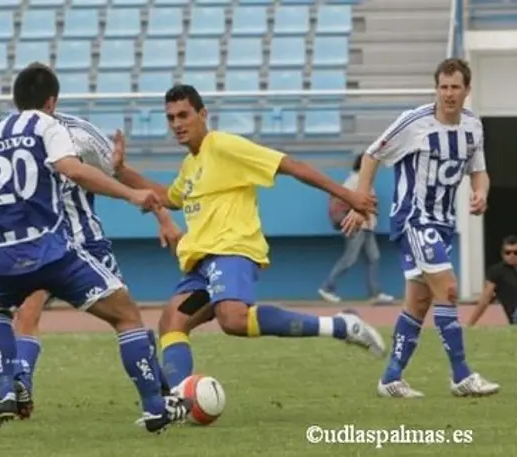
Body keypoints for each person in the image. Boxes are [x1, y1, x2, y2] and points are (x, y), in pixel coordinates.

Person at [0, 76, 181, 420]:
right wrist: (150, 205)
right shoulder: (32, 130)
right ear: (52, 101)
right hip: (52, 242)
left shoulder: (70, 133)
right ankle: (24, 386)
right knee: (104, 314)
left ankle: (160, 390)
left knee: (19, 311)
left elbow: (118, 172)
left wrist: (162, 215)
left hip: (75, 239)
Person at [112, 84, 386, 392]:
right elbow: (168, 196)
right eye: (171, 118)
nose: (177, 124)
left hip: (231, 251)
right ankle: (179, 398)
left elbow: (289, 165)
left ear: (203, 114)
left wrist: (349, 194)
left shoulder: (224, 146)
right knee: (171, 322)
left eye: (183, 115)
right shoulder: (191, 164)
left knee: (233, 319)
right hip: (200, 264)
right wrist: (122, 172)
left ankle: (342, 326)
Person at [341, 58, 500, 398]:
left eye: (455, 87)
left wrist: (480, 192)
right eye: (443, 87)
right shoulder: (414, 123)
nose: (448, 94)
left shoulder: (473, 127)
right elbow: (372, 156)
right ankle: (461, 375)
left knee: (419, 303)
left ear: (467, 91)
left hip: (443, 223)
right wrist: (360, 200)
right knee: (450, 289)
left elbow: (479, 170)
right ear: (436, 89)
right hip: (414, 218)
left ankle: (390, 379)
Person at [318, 153, 395, 304]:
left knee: (374, 257)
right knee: (349, 258)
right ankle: (327, 287)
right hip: (357, 226)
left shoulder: (364, 181)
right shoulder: (354, 180)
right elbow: (345, 199)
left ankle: (375, 293)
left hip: (367, 226)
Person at [468, 235, 517, 326]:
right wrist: (470, 324)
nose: (512, 255)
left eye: (515, 252)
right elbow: (485, 298)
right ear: (502, 254)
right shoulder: (496, 271)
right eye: (508, 252)